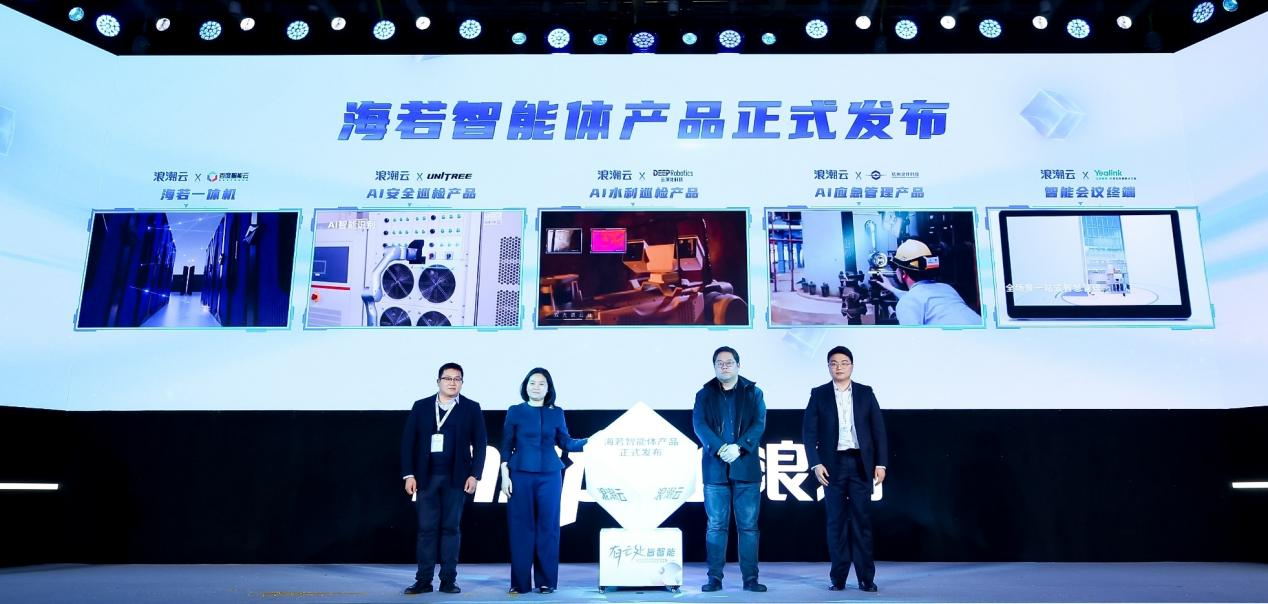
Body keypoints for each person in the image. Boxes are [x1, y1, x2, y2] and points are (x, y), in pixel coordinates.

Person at [802, 346, 888, 592]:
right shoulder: (819, 394)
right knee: (836, 523)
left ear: (852, 365)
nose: (838, 367)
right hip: (832, 464)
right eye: (833, 363)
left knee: (862, 521)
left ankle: (866, 578)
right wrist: (816, 463)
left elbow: (878, 430)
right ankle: (838, 578)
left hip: (860, 463)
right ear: (828, 367)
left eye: (843, 363)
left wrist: (881, 463)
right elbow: (809, 432)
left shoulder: (865, 393)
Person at [500, 368, 590, 594]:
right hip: (520, 473)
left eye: (541, 383)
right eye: (532, 383)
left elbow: (566, 442)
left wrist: (590, 441)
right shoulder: (515, 411)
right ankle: (519, 583)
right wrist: (504, 476)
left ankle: (546, 581)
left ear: (548, 388)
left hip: (550, 475)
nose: (536, 387)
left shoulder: (557, 413)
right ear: (525, 386)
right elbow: (506, 445)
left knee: (548, 527)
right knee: (521, 528)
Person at [400, 362, 488, 595]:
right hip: (426, 478)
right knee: (426, 530)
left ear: (462, 383)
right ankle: (423, 581)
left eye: (457, 379)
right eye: (447, 378)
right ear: (438, 381)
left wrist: (475, 475)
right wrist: (409, 474)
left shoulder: (471, 408)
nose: (452, 382)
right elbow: (408, 442)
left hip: (456, 479)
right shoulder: (421, 406)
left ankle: (448, 580)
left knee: (451, 529)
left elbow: (480, 444)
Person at [692, 346, 767, 593]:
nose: (724, 366)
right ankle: (714, 578)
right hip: (715, 469)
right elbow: (699, 425)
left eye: (729, 362)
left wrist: (740, 447)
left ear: (738, 365)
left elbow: (758, 424)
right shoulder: (704, 394)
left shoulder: (753, 392)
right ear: (714, 366)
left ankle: (751, 579)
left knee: (748, 526)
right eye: (719, 363)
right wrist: (721, 447)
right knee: (716, 525)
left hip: (746, 468)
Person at [874, 238, 980, 326]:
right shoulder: (947, 288)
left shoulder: (907, 303)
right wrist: (891, 288)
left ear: (904, 273)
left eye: (897, 267)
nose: (896, 270)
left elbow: (913, 340)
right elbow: (920, 297)